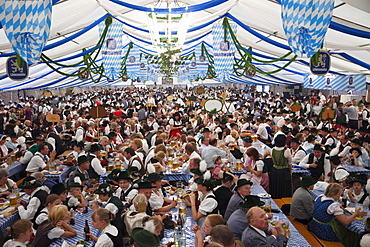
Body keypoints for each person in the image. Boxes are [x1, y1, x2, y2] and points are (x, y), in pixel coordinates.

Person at [270, 134, 292, 198]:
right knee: (283, 188)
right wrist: (290, 173)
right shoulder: (286, 150)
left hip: (274, 170)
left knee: (275, 187)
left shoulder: (272, 150)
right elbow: (290, 163)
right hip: (283, 171)